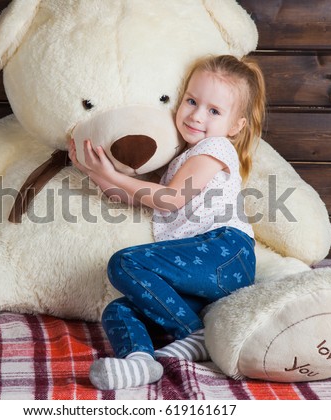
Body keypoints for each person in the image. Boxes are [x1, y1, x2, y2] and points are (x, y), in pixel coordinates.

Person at [68, 55, 266, 390]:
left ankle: (195, 336)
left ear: (236, 126)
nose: (196, 115)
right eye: (191, 101)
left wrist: (111, 174)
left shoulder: (215, 148)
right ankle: (141, 363)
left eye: (213, 111)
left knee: (125, 263)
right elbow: (131, 196)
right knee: (118, 310)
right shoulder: (183, 158)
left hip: (225, 252)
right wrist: (94, 172)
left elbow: (171, 198)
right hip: (199, 276)